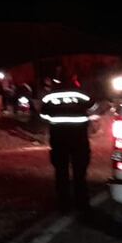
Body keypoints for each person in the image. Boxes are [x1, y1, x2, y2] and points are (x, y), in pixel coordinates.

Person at [41, 76, 95, 211]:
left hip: (58, 137)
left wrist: (57, 119)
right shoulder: (80, 94)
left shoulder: (49, 97)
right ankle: (82, 203)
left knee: (61, 171)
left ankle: (63, 204)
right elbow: (93, 107)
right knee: (80, 173)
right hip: (78, 137)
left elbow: (43, 115)